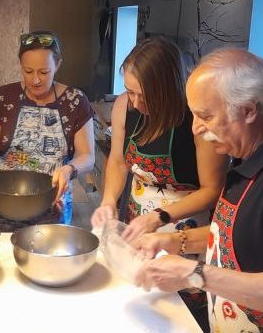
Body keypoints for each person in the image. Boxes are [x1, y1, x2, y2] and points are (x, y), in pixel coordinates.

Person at [133, 48, 263, 332]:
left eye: (205, 116)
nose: (195, 129)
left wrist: (196, 274)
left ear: (249, 110)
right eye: (193, 115)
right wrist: (171, 242)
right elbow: (235, 237)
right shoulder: (241, 162)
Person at [91, 37, 228, 241]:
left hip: (184, 229)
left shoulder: (197, 117)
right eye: (130, 92)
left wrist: (159, 217)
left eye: (146, 96)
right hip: (136, 218)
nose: (136, 103)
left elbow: (212, 189)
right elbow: (119, 163)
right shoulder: (124, 106)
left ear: (169, 88)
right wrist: (109, 201)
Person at [0, 31, 95, 231]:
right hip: (5, 204)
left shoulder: (76, 101)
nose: (36, 80)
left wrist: (68, 170)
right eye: (28, 71)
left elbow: (87, 156)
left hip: (53, 205)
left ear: (58, 64)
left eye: (44, 72)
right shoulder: (3, 98)